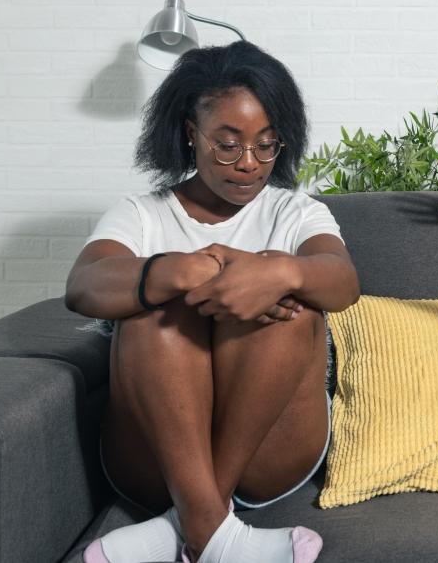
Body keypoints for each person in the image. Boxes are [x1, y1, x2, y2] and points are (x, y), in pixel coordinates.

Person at [66, 41, 358, 563]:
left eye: (267, 145)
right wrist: (183, 270)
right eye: (228, 144)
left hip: (273, 453)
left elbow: (342, 282)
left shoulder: (295, 213)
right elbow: (84, 286)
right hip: (152, 460)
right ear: (189, 134)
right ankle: (215, 534)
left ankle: (189, 523)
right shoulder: (142, 214)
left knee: (295, 307)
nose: (249, 164)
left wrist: (278, 271)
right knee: (153, 312)